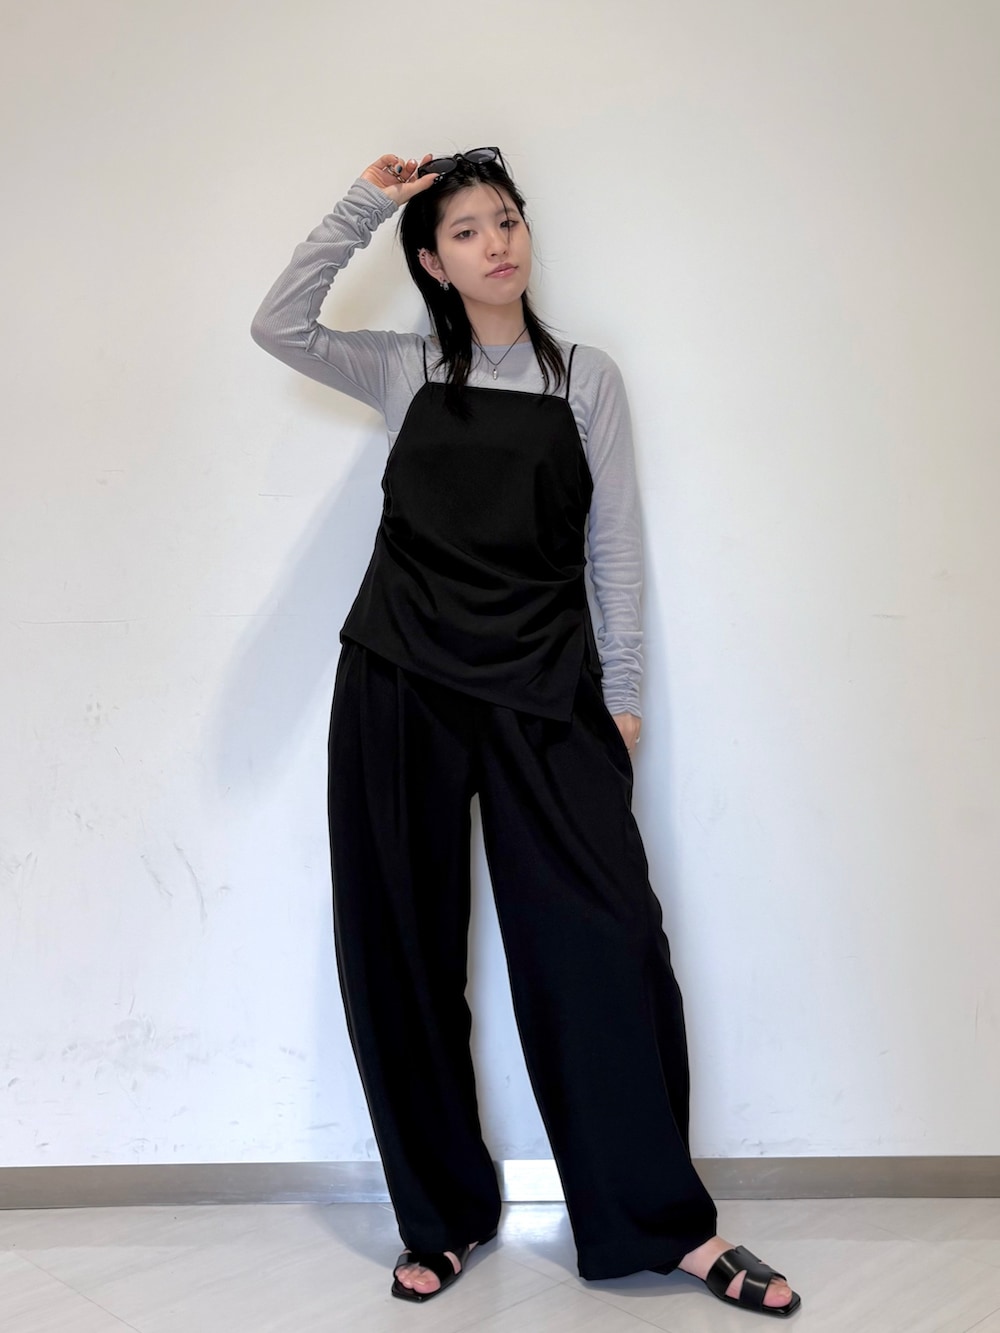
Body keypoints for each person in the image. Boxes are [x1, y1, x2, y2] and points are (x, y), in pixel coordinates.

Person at [250, 148, 801, 1319]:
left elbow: (615, 544)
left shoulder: (584, 377)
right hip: (399, 676)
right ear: (432, 262)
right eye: (465, 230)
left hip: (546, 687)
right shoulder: (402, 367)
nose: (496, 242)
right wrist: (365, 204)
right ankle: (443, 1216)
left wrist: (624, 694)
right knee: (399, 951)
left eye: (507, 220)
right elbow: (278, 325)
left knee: (607, 947)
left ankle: (665, 1224)